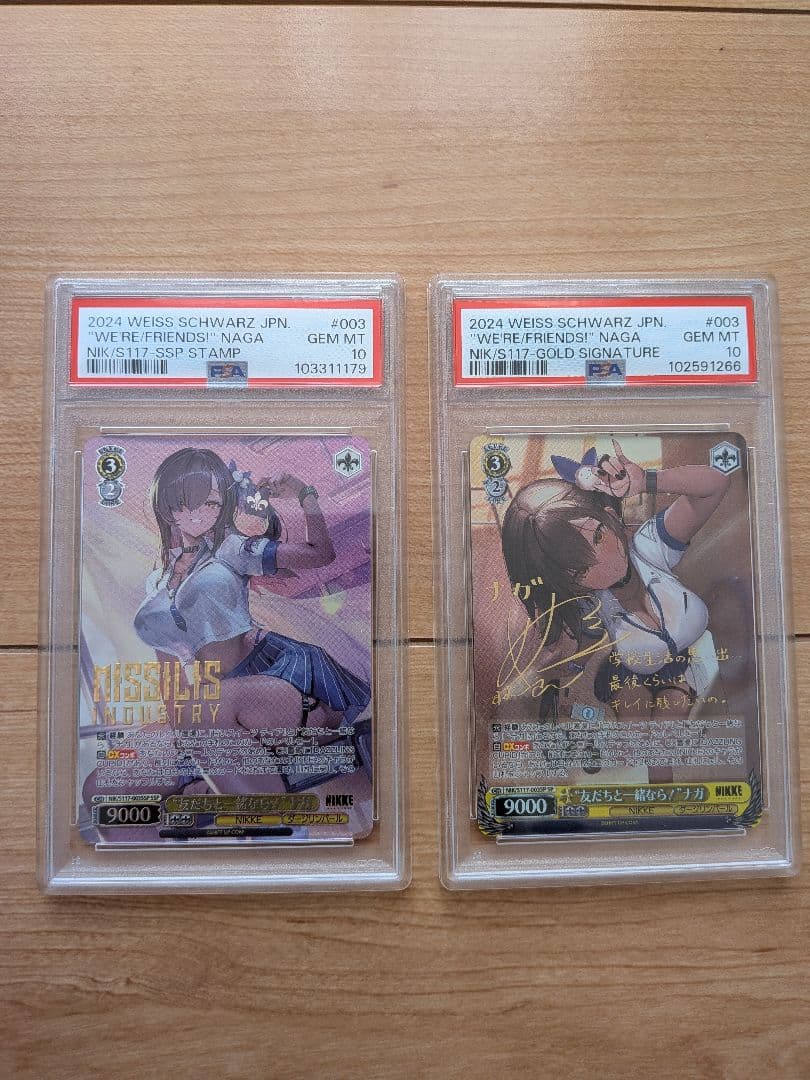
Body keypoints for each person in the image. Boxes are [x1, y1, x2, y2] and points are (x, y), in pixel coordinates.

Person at [500, 440, 730, 777]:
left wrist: (648, 480)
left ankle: (663, 800)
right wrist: (560, 670)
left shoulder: (652, 547)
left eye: (597, 538)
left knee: (664, 740)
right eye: (579, 569)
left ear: (608, 517)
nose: (603, 563)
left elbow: (716, 484)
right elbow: (575, 645)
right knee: (635, 739)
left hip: (679, 670)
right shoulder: (587, 603)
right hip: (625, 676)